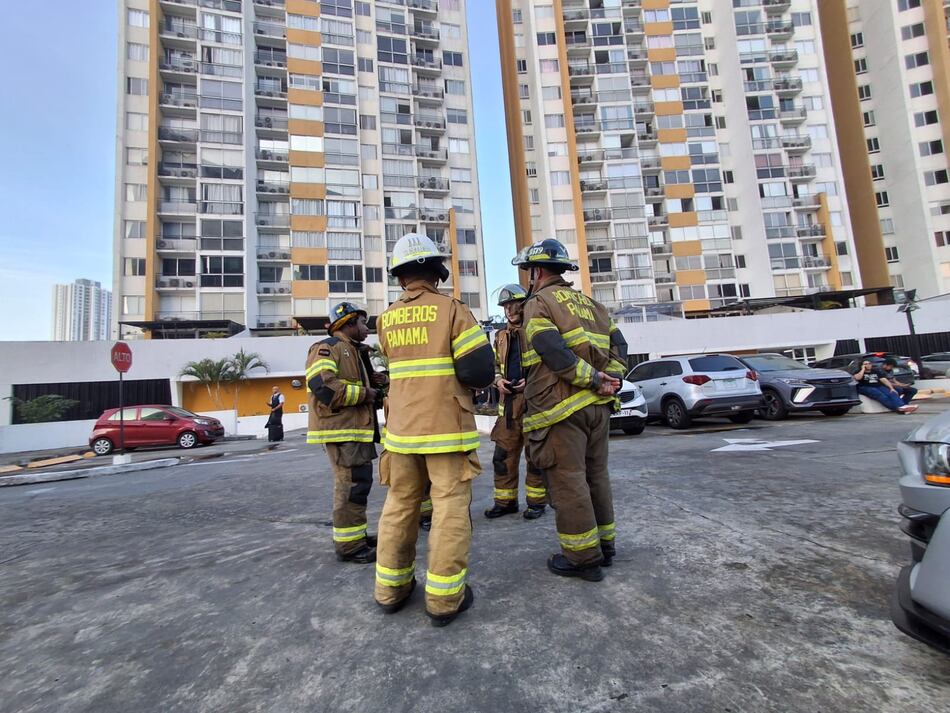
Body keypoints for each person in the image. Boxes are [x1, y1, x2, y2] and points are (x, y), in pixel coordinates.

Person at [374, 233, 495, 627]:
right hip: (445, 430)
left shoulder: (386, 318)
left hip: (400, 432)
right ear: (436, 271)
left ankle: (390, 591)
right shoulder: (452, 310)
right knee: (448, 509)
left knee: (399, 506)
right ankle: (444, 601)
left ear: (401, 275)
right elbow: (479, 372)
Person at [514, 238, 628, 582]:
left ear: (536, 271)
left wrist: (592, 378)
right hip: (599, 409)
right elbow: (620, 346)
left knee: (569, 481)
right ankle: (605, 546)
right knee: (597, 477)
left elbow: (550, 349)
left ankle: (582, 558)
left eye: (527, 273)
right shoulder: (593, 305)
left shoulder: (540, 302)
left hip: (561, 409)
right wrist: (612, 380)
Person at [305, 302, 387, 564]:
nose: (367, 328)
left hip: (354, 430)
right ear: (348, 323)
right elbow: (323, 386)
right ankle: (350, 546)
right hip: (342, 431)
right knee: (350, 486)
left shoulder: (353, 351)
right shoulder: (327, 348)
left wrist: (375, 381)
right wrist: (366, 393)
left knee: (359, 485)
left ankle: (356, 536)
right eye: (363, 323)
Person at [485, 283, 547, 520]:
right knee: (502, 457)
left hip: (534, 405)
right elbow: (494, 367)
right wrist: (498, 380)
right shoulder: (500, 336)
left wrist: (529, 383)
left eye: (514, 303)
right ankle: (505, 502)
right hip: (508, 410)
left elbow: (549, 366)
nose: (509, 309)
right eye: (505, 305)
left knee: (535, 457)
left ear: (525, 303)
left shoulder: (537, 330)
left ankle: (537, 503)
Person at [853, 358, 918, 414]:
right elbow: (857, 378)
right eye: (866, 364)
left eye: (869, 363)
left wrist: (891, 388)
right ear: (862, 365)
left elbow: (884, 380)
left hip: (878, 386)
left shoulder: (875, 371)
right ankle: (898, 409)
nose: (868, 365)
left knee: (892, 393)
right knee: (881, 396)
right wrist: (863, 370)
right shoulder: (858, 371)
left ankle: (902, 406)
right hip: (866, 387)